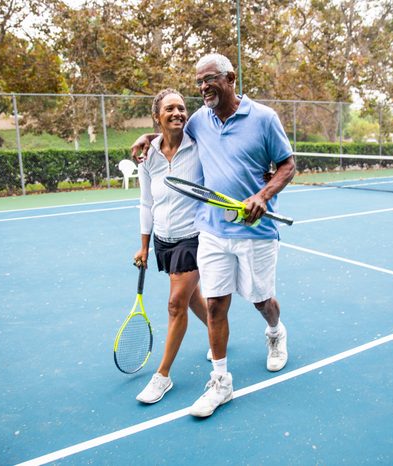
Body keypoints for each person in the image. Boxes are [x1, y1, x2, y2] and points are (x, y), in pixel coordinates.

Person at [132, 53, 296, 418]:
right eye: (199, 82)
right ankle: (221, 381)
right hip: (212, 230)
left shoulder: (264, 119)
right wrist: (148, 137)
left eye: (209, 79)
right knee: (217, 305)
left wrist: (263, 196)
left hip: (256, 231)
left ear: (230, 78)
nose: (203, 87)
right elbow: (170, 131)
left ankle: (275, 331)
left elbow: (288, 164)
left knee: (260, 300)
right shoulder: (199, 122)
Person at [133, 88, 210, 404]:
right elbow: (146, 203)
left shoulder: (200, 144)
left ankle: (162, 376)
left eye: (181, 108)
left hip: (194, 236)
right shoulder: (147, 155)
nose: (178, 113)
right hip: (163, 240)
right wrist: (144, 246)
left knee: (175, 303)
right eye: (170, 109)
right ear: (157, 116)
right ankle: (216, 329)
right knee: (191, 298)